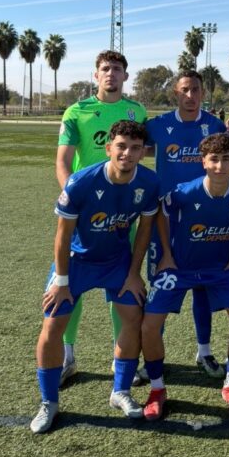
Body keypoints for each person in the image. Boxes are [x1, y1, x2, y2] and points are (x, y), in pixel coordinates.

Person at [30, 120, 160, 434]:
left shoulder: (149, 183)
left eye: (135, 148)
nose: (127, 153)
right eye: (121, 146)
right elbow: (62, 237)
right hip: (76, 262)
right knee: (53, 323)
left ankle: (120, 391)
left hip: (117, 262)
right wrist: (61, 281)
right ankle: (49, 402)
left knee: (133, 316)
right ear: (109, 148)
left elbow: (144, 231)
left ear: (143, 152)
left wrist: (133, 274)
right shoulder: (81, 182)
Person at [139, 133, 229, 420]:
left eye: (226, 159)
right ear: (203, 162)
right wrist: (167, 253)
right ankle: (157, 389)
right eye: (213, 160)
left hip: (221, 270)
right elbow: (161, 213)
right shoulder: (185, 192)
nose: (219, 166)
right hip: (180, 269)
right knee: (149, 325)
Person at [55, 50, 148, 386]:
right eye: (105, 69)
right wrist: (73, 200)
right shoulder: (76, 111)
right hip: (83, 214)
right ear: (96, 75)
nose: (111, 74)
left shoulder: (136, 111)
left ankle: (119, 355)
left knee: (121, 283)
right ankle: (67, 355)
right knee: (70, 285)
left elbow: (141, 153)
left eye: (117, 69)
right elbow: (63, 161)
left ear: (126, 76)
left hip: (123, 214)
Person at [144, 70, 227, 378]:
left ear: (202, 93)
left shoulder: (214, 125)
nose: (190, 95)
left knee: (202, 289)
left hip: (205, 224)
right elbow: (126, 140)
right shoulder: (158, 125)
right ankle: (151, 355)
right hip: (166, 224)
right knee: (161, 288)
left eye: (195, 90)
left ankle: (204, 351)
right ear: (175, 94)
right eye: (184, 90)